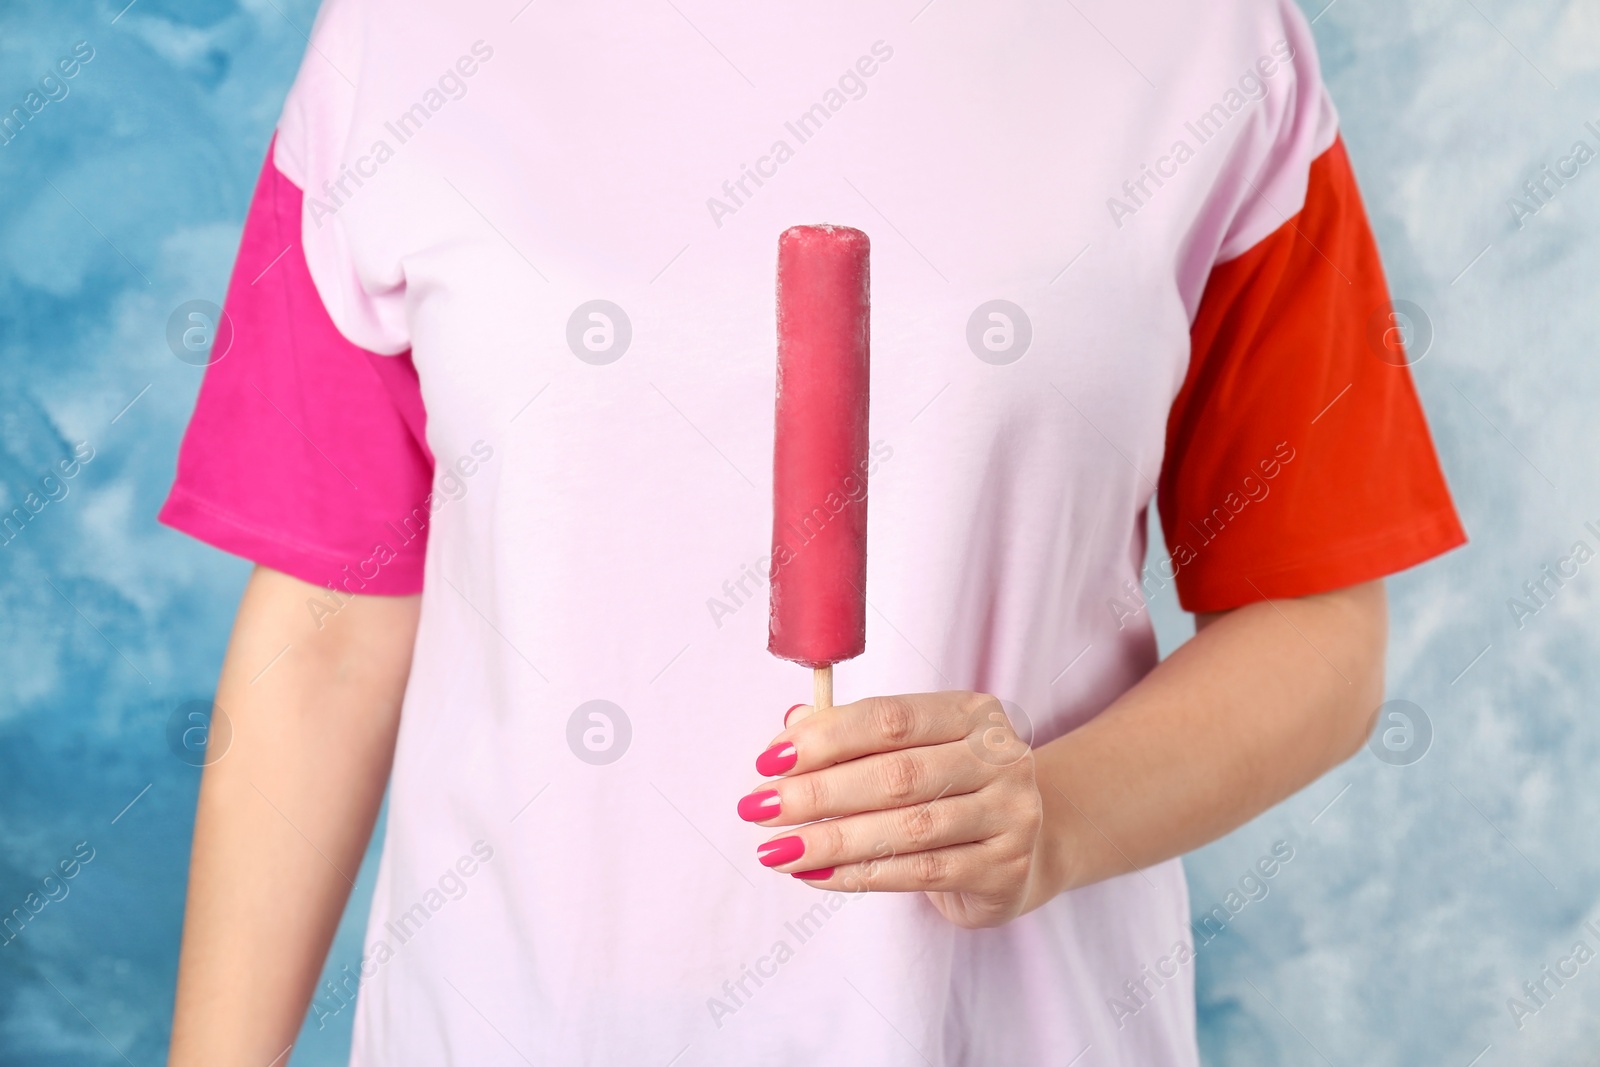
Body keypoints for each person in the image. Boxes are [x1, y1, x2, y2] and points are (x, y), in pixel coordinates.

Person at [160, 0, 1465, 1063]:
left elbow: (1319, 627)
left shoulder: (1206, 42)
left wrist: (1056, 815)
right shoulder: (408, 37)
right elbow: (327, 636)